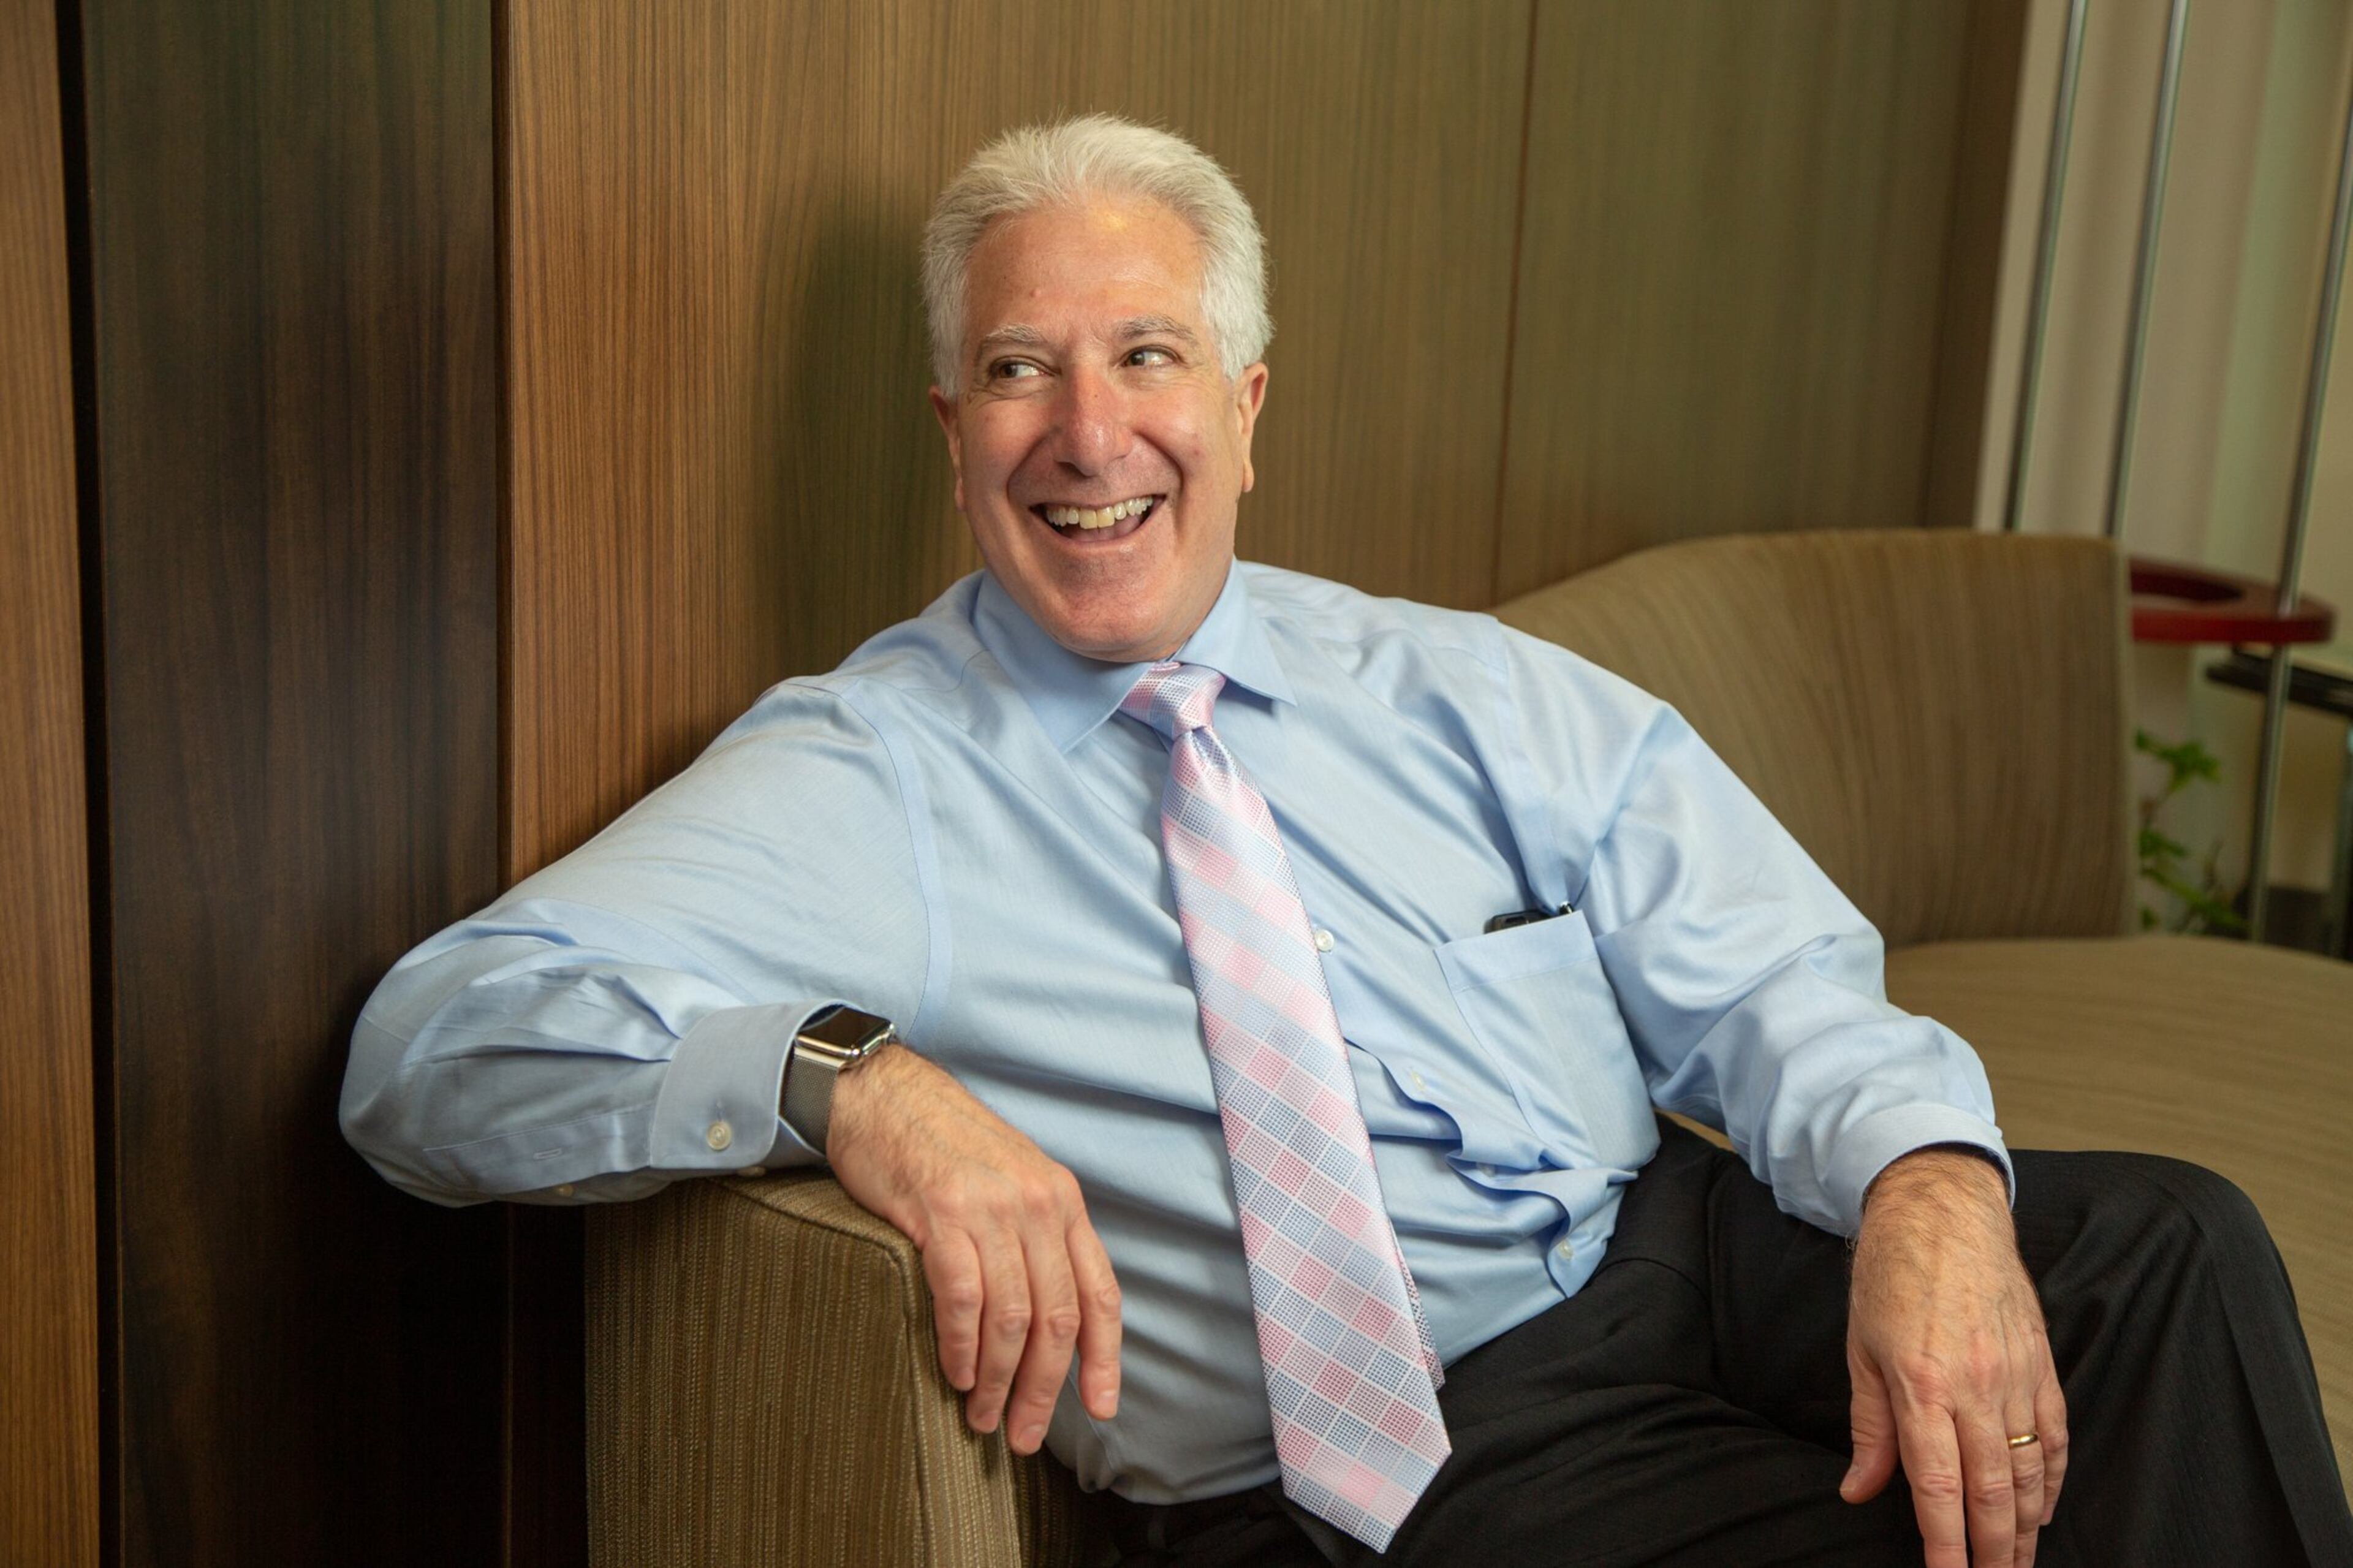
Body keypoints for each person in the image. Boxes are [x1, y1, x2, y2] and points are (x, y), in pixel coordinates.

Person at [343, 115, 2352, 1567]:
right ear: (950, 430)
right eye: (1022, 369)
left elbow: (1767, 977)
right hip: (1397, 1456)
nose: (1088, 429)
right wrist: (844, 1080)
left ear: (1246, 401)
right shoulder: (869, 772)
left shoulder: (1447, 684)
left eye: (1148, 356)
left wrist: (1923, 1192)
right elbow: (430, 1050)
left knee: (2169, 1251)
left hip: (1684, 1248)